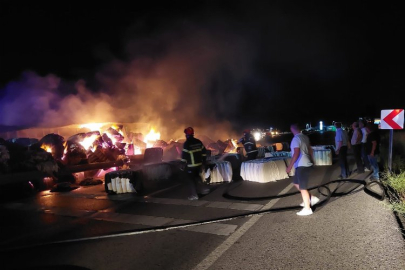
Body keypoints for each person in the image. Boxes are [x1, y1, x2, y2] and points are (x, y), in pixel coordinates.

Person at [286, 123, 319, 216]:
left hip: (302, 165)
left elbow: (296, 153)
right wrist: (312, 160)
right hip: (304, 164)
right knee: (296, 183)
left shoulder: (296, 139)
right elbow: (310, 150)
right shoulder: (305, 137)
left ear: (292, 129)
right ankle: (311, 198)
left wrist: (289, 167)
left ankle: (307, 209)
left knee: (303, 187)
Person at [181, 127, 208, 200]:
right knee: (197, 177)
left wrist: (182, 164)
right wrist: (204, 162)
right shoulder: (198, 141)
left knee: (191, 180)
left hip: (191, 165)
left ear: (186, 134)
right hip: (199, 164)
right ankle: (204, 189)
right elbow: (204, 152)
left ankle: (194, 195)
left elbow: (184, 156)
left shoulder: (187, 143)